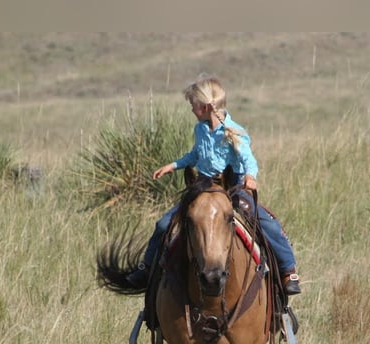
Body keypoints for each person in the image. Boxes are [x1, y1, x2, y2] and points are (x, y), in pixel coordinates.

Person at [126, 74, 301, 295]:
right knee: (164, 224)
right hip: (202, 187)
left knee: (265, 222)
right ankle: (147, 268)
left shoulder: (233, 131)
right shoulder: (199, 130)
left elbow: (249, 159)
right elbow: (195, 155)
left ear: (206, 107)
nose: (191, 109)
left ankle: (288, 270)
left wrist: (250, 176)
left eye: (193, 105)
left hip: (232, 187)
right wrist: (174, 165)